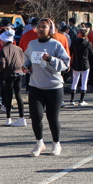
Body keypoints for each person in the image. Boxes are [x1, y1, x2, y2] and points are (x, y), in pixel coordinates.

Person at [24, 18, 70, 156]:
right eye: (39, 26)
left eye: (44, 27)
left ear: (50, 29)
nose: (40, 29)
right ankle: (39, 143)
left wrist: (51, 59)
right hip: (36, 85)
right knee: (36, 116)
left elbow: (66, 63)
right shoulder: (32, 44)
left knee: (52, 117)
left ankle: (56, 144)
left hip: (53, 86)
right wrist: (25, 66)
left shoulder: (55, 45)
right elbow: (26, 57)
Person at [0, 30, 26, 126]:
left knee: (8, 96)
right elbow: (23, 60)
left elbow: (2, 64)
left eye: (1, 40)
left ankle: (8, 118)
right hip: (19, 73)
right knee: (18, 95)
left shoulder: (3, 50)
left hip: (9, 74)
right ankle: (22, 117)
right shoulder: (18, 49)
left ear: (4, 41)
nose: (0, 42)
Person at [69, 27, 92, 106]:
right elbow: (91, 53)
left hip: (76, 63)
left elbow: (71, 52)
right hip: (85, 64)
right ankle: (81, 100)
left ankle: (72, 100)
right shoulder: (88, 43)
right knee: (84, 82)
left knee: (74, 82)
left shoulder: (74, 42)